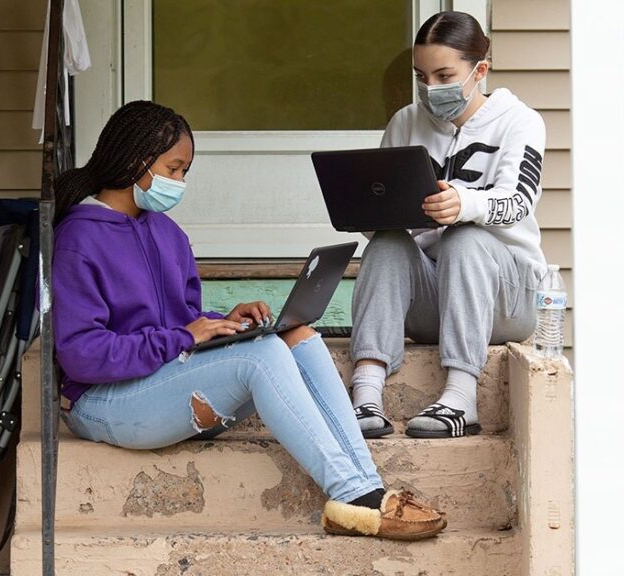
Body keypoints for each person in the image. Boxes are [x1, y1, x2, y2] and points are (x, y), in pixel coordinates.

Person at [51, 100, 445, 540]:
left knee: (298, 335)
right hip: (103, 402)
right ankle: (353, 496)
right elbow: (81, 354)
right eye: (174, 168)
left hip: (162, 386)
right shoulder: (79, 237)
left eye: (185, 172)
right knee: (260, 358)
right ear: (135, 162)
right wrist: (182, 337)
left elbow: (177, 320)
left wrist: (222, 322)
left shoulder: (167, 233)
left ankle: (367, 487)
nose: (180, 182)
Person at [350, 11, 547, 439]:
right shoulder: (406, 122)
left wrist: (464, 204)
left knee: (466, 237)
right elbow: (378, 217)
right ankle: (366, 393)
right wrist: (369, 210)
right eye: (422, 76)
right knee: (385, 243)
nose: (431, 89)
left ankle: (460, 399)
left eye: (444, 75)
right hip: (434, 301)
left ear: (480, 70)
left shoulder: (521, 121)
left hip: (505, 299)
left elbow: (518, 201)